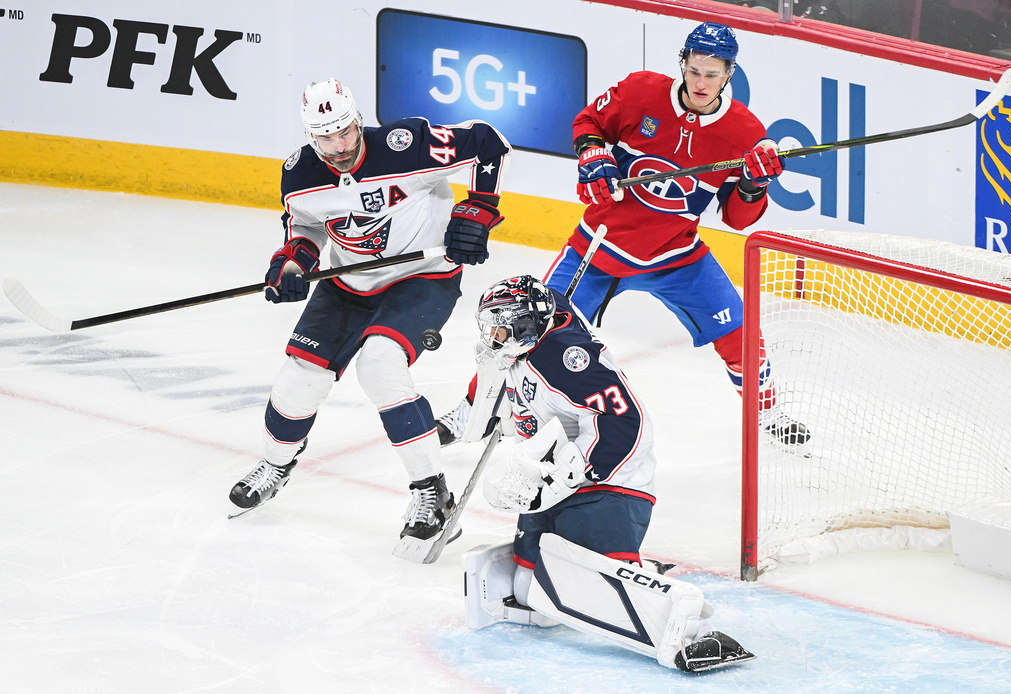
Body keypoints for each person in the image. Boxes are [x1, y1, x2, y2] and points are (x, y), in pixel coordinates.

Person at [437, 22, 808, 448]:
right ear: (682, 64)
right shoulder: (641, 92)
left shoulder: (744, 133)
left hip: (677, 256)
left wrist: (753, 184)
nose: (701, 82)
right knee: (528, 326)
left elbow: (739, 219)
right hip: (597, 248)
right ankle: (475, 410)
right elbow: (589, 122)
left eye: (712, 73)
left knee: (739, 332)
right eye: (694, 70)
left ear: (729, 74)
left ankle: (767, 410)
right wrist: (593, 154)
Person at [228, 78, 511, 557]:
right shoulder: (298, 174)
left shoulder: (405, 147)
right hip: (348, 284)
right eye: (326, 138)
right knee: (299, 378)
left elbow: (488, 141)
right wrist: (294, 266)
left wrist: (479, 209)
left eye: (345, 132)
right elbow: (305, 230)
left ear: (359, 121)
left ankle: (430, 492)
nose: (338, 146)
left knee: (380, 368)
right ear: (309, 137)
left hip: (423, 278)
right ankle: (276, 466)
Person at [461, 275, 755, 673]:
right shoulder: (521, 348)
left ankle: (690, 631)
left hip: (610, 480)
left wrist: (576, 472)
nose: (494, 336)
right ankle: (632, 569)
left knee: (591, 588)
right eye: (490, 325)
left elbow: (626, 419)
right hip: (559, 475)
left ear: (528, 323)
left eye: (503, 325)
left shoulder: (565, 358)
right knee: (530, 591)